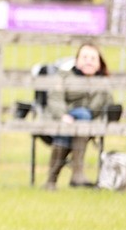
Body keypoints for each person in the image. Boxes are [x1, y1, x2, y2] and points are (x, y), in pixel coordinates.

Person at [43, 43, 114, 190]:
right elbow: (55, 98)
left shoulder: (103, 83)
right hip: (60, 118)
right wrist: (62, 115)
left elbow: (108, 107)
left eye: (93, 58)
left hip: (88, 125)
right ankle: (77, 173)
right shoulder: (64, 76)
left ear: (99, 63)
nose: (88, 61)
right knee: (80, 116)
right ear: (77, 60)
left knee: (82, 116)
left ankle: (51, 180)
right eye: (85, 57)